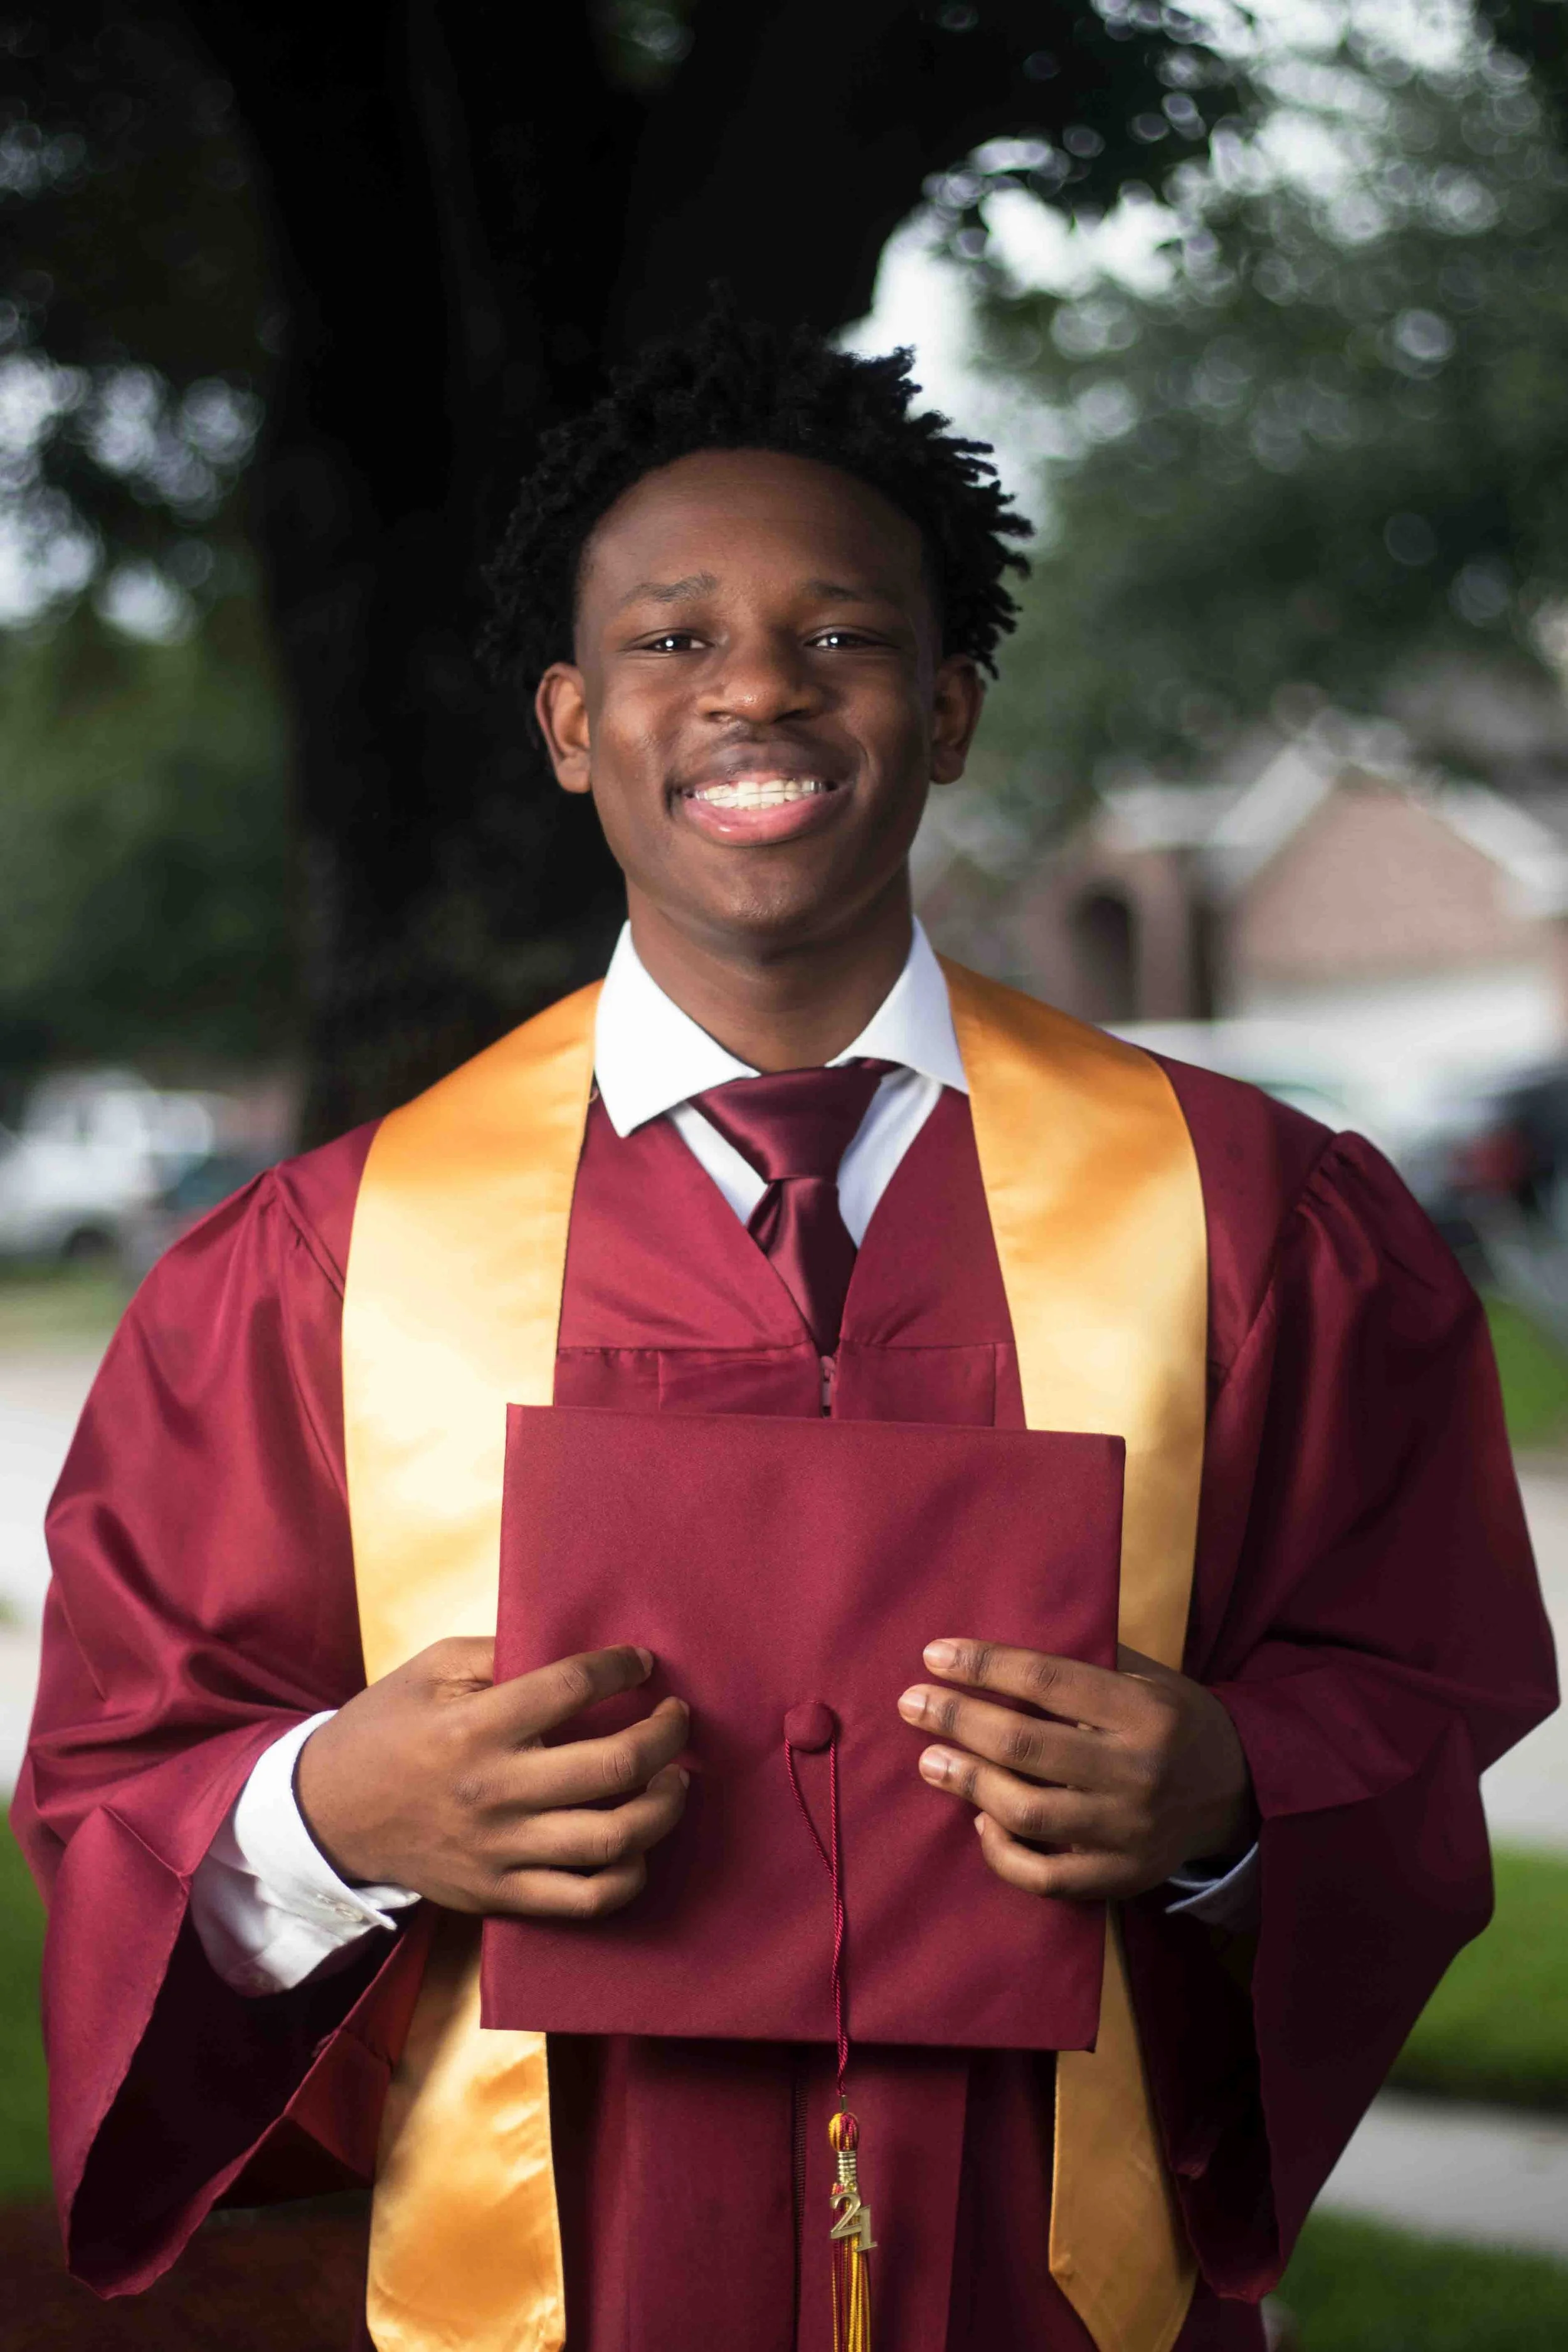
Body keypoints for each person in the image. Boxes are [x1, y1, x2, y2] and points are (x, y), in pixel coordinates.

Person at [15, 307, 1557, 2352]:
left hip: (1057, 2289)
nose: (755, 682)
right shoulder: (321, 1264)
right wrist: (325, 1818)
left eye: (838, 635)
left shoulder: (1247, 1217)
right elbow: (124, 1772)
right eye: (670, 637)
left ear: (946, 710)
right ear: (568, 723)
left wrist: (1230, 1794)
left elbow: (1410, 1681)